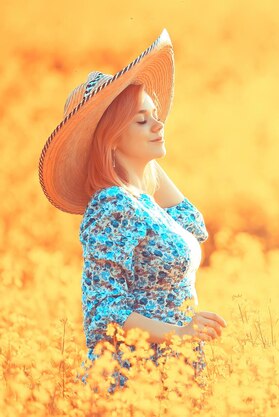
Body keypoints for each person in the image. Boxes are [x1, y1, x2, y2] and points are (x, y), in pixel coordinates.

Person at [38, 29, 227, 394]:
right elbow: (102, 314)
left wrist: (140, 160)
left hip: (171, 372)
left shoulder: (140, 202)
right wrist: (182, 333)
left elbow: (193, 224)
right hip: (133, 380)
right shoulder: (112, 207)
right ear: (111, 138)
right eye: (141, 120)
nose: (159, 125)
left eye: (155, 115)